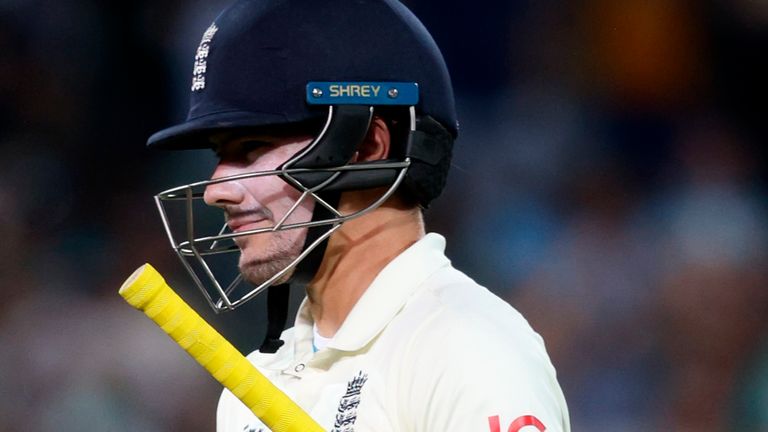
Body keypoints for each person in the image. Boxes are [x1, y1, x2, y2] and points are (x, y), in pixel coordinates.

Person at [147, 0, 570, 431]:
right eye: (220, 156)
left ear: (367, 147)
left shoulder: (468, 348)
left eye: (252, 148)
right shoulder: (252, 390)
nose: (216, 191)